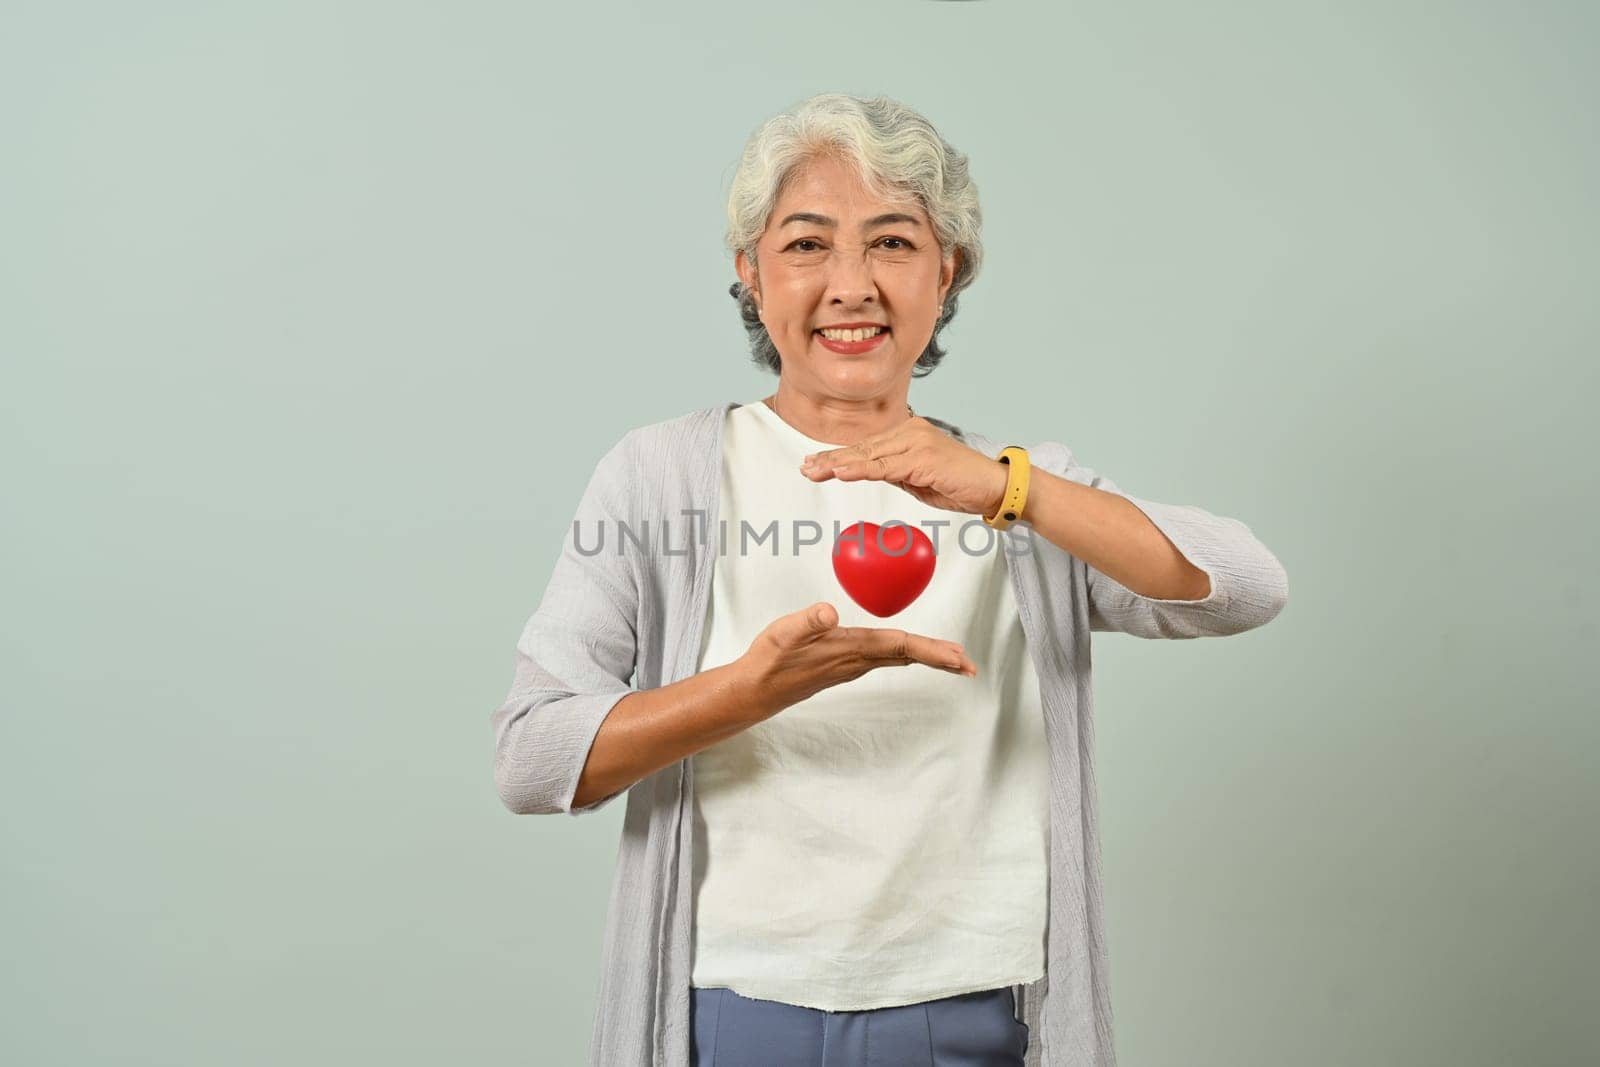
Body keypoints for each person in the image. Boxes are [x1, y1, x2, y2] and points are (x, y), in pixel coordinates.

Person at [491, 93, 1289, 1066]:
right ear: (749, 270)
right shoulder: (658, 474)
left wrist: (1011, 489)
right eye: (806, 244)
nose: (851, 283)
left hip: (972, 1012)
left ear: (946, 270)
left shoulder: (1017, 491)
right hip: (727, 1009)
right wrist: (747, 691)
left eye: (893, 243)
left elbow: (1244, 585)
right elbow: (532, 758)